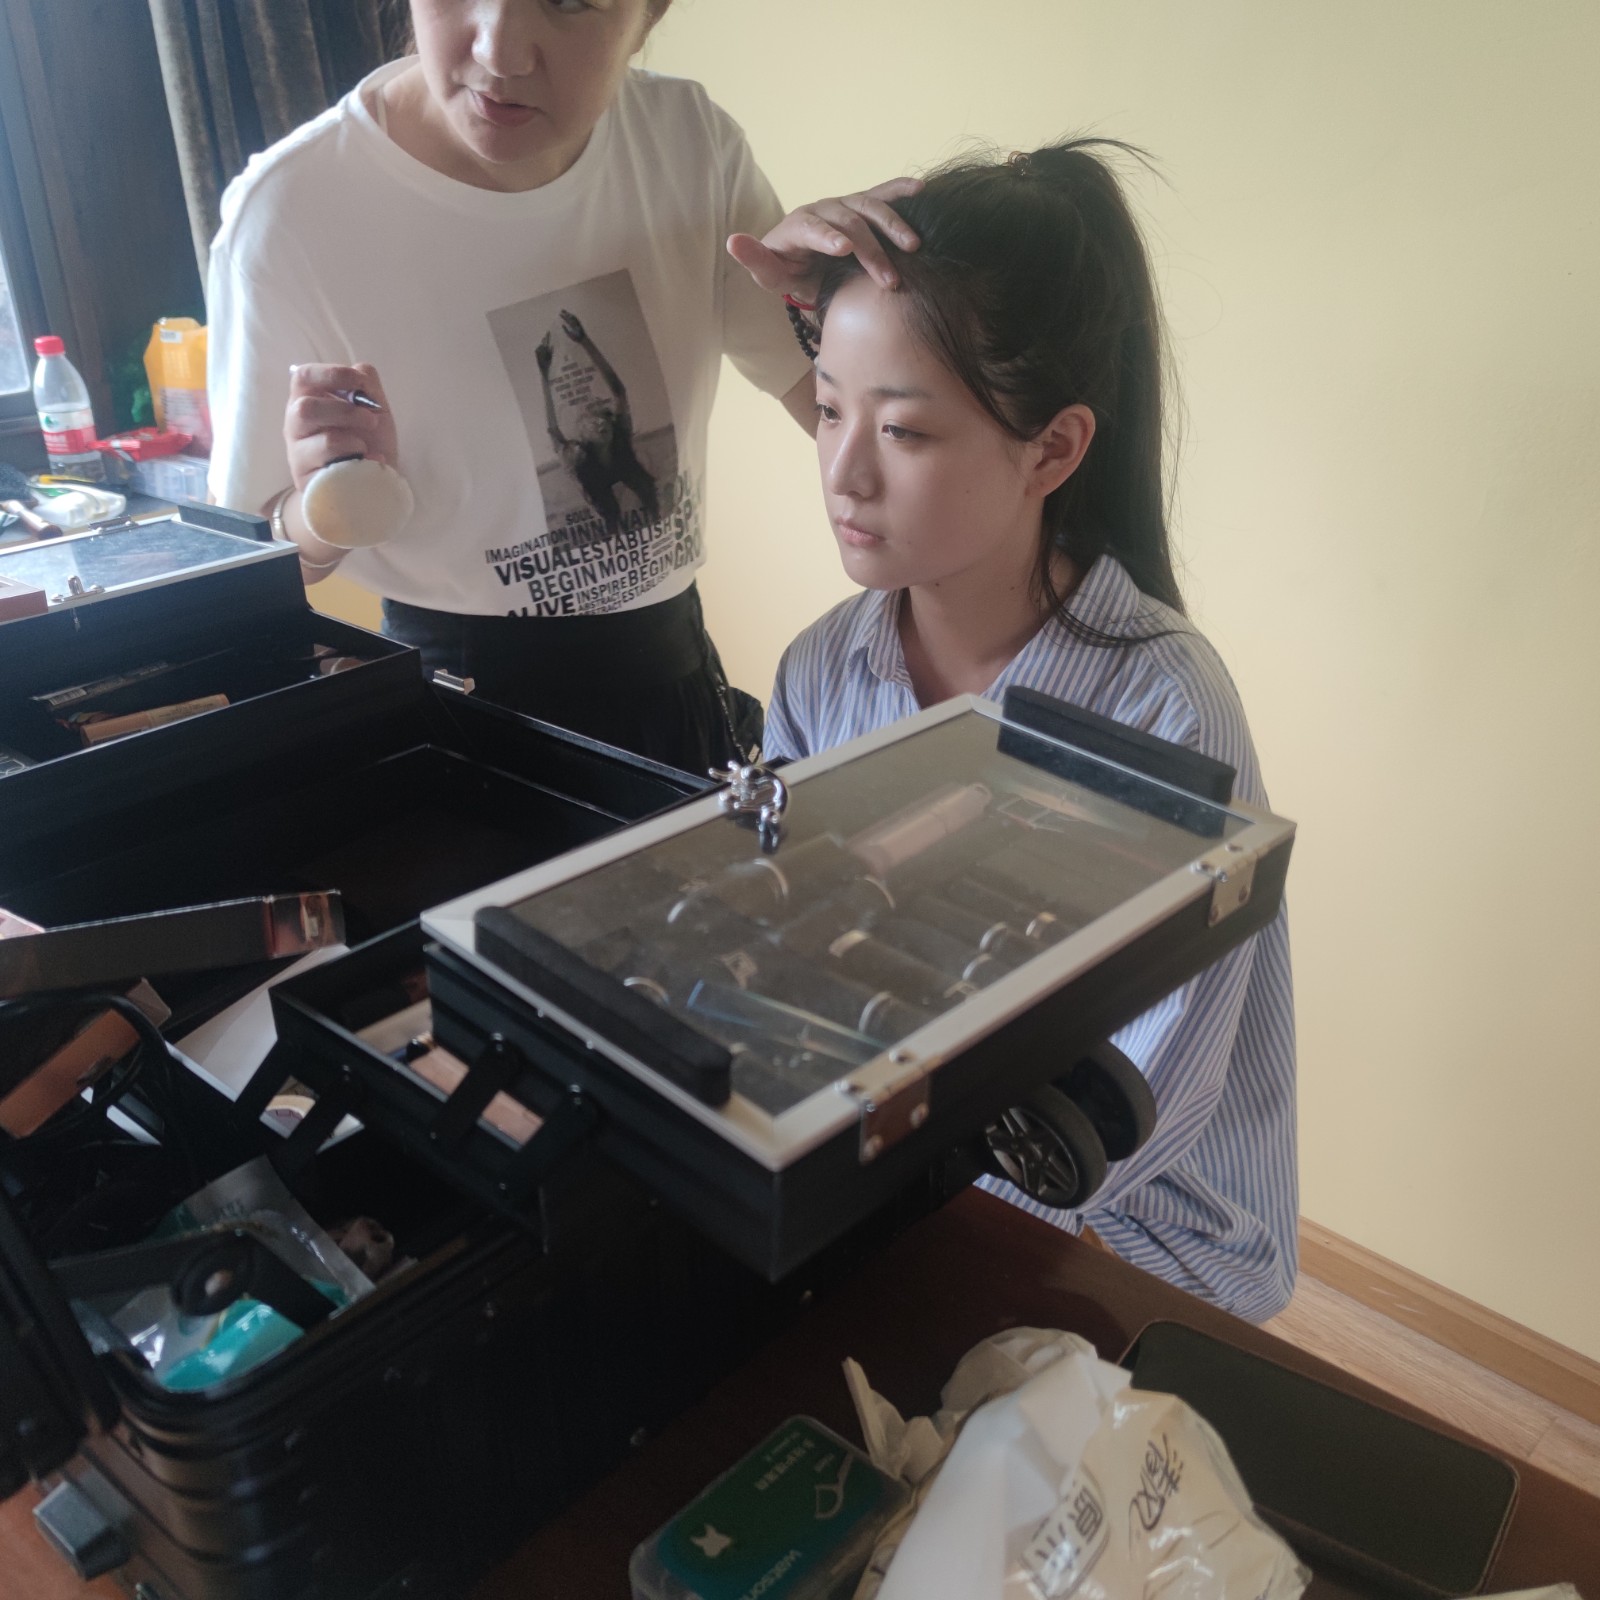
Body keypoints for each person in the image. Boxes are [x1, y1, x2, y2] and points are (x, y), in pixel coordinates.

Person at [738, 142, 1298, 1322]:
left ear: (1052, 449)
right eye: (828, 409)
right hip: (890, 1178)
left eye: (904, 432)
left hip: (1120, 1231)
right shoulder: (822, 668)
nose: (842, 472)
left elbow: (1122, 1111)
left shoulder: (1163, 708)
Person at [207, 0, 908, 772]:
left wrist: (864, 300)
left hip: (671, 679)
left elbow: (831, 401)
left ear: (649, 15)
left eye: (569, 1)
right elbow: (245, 575)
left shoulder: (689, 142)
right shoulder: (292, 213)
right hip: (455, 712)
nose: (500, 52)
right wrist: (326, 506)